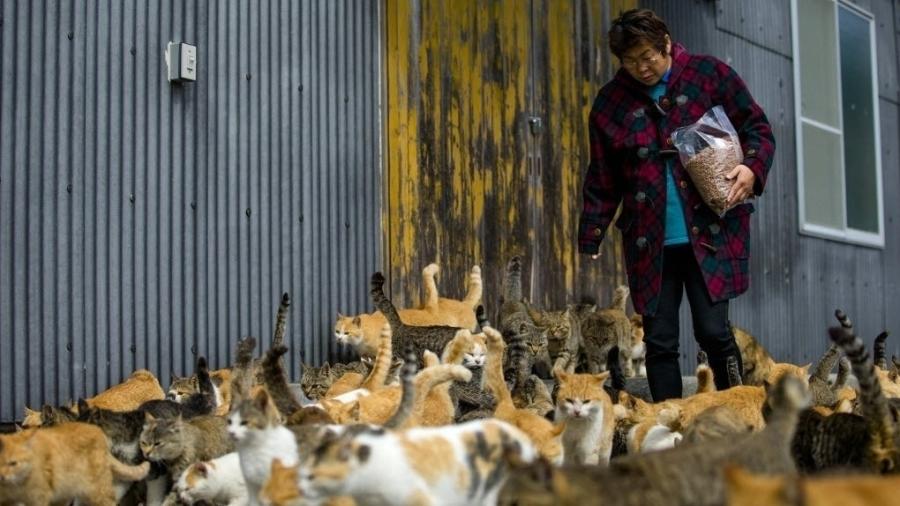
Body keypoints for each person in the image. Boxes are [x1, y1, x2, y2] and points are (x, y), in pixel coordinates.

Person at [577, 8, 775, 401]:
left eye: (648, 56)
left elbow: (757, 127)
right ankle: (668, 424)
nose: (642, 68)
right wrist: (593, 232)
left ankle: (736, 411)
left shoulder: (709, 74)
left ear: (665, 43)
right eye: (631, 61)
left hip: (712, 230)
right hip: (650, 241)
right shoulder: (610, 103)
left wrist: (752, 168)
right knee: (660, 340)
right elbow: (602, 175)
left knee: (714, 332)